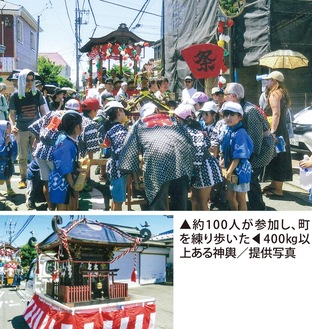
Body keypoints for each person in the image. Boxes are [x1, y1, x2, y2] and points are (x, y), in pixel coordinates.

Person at [120, 102, 196, 210]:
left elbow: (129, 149)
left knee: (158, 199)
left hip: (158, 160)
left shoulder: (139, 124)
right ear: (157, 111)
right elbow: (188, 137)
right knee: (180, 200)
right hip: (182, 158)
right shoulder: (172, 120)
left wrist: (130, 170)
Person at [224, 82, 275, 210]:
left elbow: (255, 138)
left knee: (251, 177)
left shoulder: (249, 111)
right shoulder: (237, 109)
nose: (223, 97)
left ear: (234, 96)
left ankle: (258, 207)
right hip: (248, 148)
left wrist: (248, 158)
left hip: (261, 149)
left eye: (226, 94)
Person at [174, 104, 223, 210]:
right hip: (196, 170)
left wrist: (192, 174)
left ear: (179, 119)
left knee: (202, 201)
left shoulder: (192, 133)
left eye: (175, 118)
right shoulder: (190, 131)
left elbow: (199, 154)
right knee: (193, 198)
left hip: (204, 168)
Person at [9, 69, 46, 189]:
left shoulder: (37, 94)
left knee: (37, 154)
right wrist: (13, 124)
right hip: (22, 129)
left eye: (31, 80)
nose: (29, 82)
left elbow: (42, 111)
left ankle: (36, 177)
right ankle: (23, 178)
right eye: (27, 80)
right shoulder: (15, 95)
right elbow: (12, 113)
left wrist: (45, 124)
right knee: (22, 156)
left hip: (36, 129)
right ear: (21, 80)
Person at [261, 71, 293, 197]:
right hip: (282, 129)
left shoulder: (274, 94)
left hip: (276, 130)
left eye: (269, 80)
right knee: (277, 156)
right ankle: (275, 184)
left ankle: (278, 189)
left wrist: (272, 131)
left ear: (274, 81)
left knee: (278, 157)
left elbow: (276, 114)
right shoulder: (283, 93)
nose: (267, 82)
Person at [220, 101, 254, 211]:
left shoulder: (240, 132)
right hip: (231, 168)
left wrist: (229, 171)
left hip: (240, 169)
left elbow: (239, 155)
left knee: (241, 198)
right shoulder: (229, 130)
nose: (228, 117)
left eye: (232, 114)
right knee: (229, 196)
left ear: (240, 117)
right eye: (226, 115)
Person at [48, 111, 83, 210]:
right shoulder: (67, 144)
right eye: (81, 124)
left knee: (62, 205)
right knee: (62, 207)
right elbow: (66, 168)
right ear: (76, 127)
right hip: (62, 180)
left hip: (57, 177)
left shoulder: (64, 137)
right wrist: (73, 185)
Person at [102, 101, 129, 211]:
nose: (125, 115)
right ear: (119, 111)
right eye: (124, 111)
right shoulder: (120, 130)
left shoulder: (110, 129)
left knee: (116, 199)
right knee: (119, 201)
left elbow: (106, 149)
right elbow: (120, 151)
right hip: (119, 169)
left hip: (112, 167)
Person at [79, 98, 101, 191]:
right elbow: (91, 149)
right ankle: (86, 183)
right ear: (92, 111)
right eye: (96, 110)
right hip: (80, 156)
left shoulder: (78, 118)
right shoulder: (90, 124)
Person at [0, 121, 17, 197]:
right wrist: (5, 144)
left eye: (10, 127)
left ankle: (9, 189)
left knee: (9, 175)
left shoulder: (10, 137)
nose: (10, 129)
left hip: (8, 161)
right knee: (1, 179)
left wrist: (15, 138)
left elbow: (14, 150)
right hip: (1, 162)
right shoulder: (1, 139)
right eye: (7, 127)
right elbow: (1, 152)